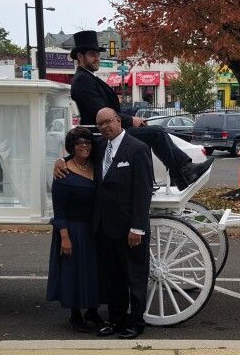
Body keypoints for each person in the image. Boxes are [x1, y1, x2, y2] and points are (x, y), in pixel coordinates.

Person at [55, 30, 213, 189]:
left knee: (155, 131)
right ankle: (183, 172)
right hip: (103, 135)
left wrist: (134, 116)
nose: (97, 58)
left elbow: (112, 109)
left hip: (111, 130)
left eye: (97, 54)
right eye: (92, 54)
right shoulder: (82, 80)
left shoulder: (88, 77)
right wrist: (131, 120)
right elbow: (101, 113)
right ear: (80, 57)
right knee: (156, 133)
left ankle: (181, 172)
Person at [91, 108, 154, 339]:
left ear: (118, 121)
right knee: (113, 278)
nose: (104, 127)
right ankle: (116, 321)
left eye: (108, 122)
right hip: (105, 227)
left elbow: (143, 191)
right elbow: (75, 150)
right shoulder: (99, 147)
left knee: (135, 277)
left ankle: (136, 322)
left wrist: (137, 228)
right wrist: (60, 160)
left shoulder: (138, 149)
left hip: (130, 229)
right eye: (99, 124)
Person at [46, 127, 106, 332]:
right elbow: (59, 209)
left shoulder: (96, 166)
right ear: (72, 146)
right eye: (80, 143)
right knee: (73, 273)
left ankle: (92, 310)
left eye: (88, 142)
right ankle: (75, 314)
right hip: (72, 230)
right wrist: (64, 237)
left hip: (94, 229)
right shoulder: (63, 172)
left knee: (94, 272)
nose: (84, 146)